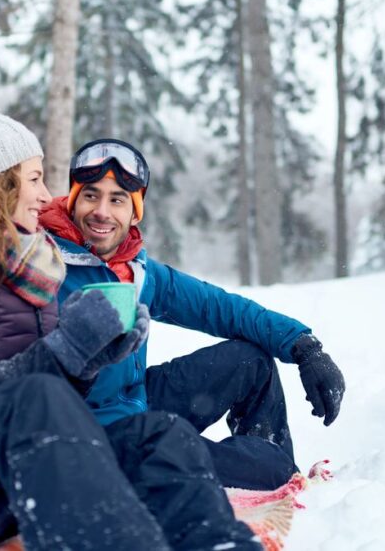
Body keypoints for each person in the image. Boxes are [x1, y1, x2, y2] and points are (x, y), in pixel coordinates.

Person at [0, 112, 261, 551]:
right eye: (33, 179)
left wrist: (94, 356)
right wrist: (68, 347)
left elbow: (44, 393)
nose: (44, 194)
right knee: (38, 397)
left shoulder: (31, 266)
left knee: (160, 435)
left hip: (10, 466)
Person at [38, 137, 346, 491]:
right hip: (100, 441)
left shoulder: (135, 268)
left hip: (138, 402)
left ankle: (265, 472)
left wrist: (304, 346)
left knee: (249, 361)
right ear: (75, 199)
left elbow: (216, 307)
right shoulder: (43, 265)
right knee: (272, 471)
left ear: (135, 211)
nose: (102, 212)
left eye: (117, 199)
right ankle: (265, 476)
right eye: (91, 195)